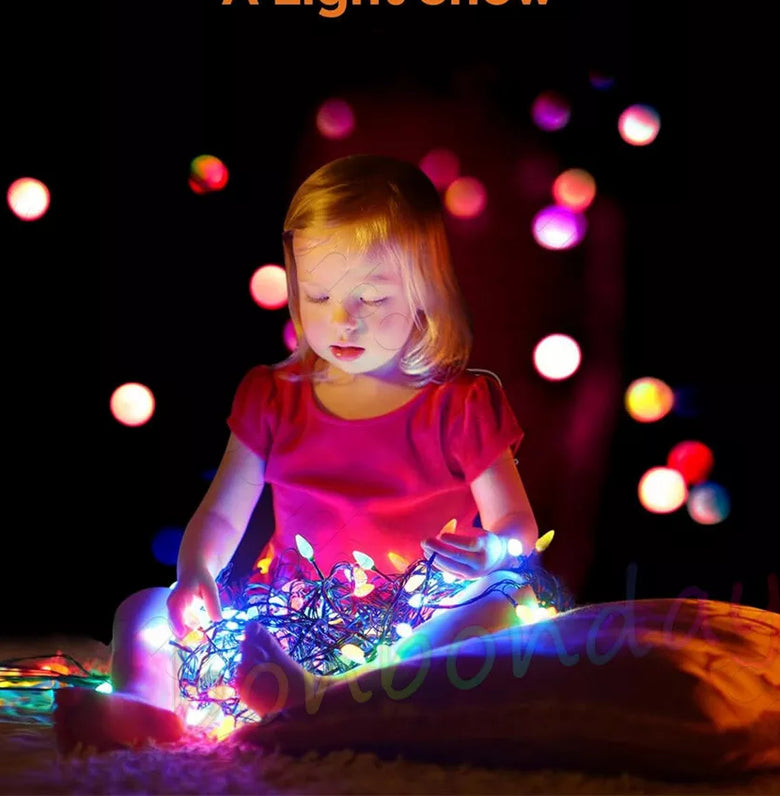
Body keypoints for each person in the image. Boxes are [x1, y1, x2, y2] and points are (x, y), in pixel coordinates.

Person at [54, 154, 545, 751]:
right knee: (144, 609)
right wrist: (196, 572)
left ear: (425, 291)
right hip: (290, 624)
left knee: (503, 601)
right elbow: (222, 514)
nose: (342, 320)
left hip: (418, 620)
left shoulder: (461, 405)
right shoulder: (273, 397)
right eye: (318, 295)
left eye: (371, 298)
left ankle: (331, 699)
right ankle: (142, 709)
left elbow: (517, 525)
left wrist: (495, 550)